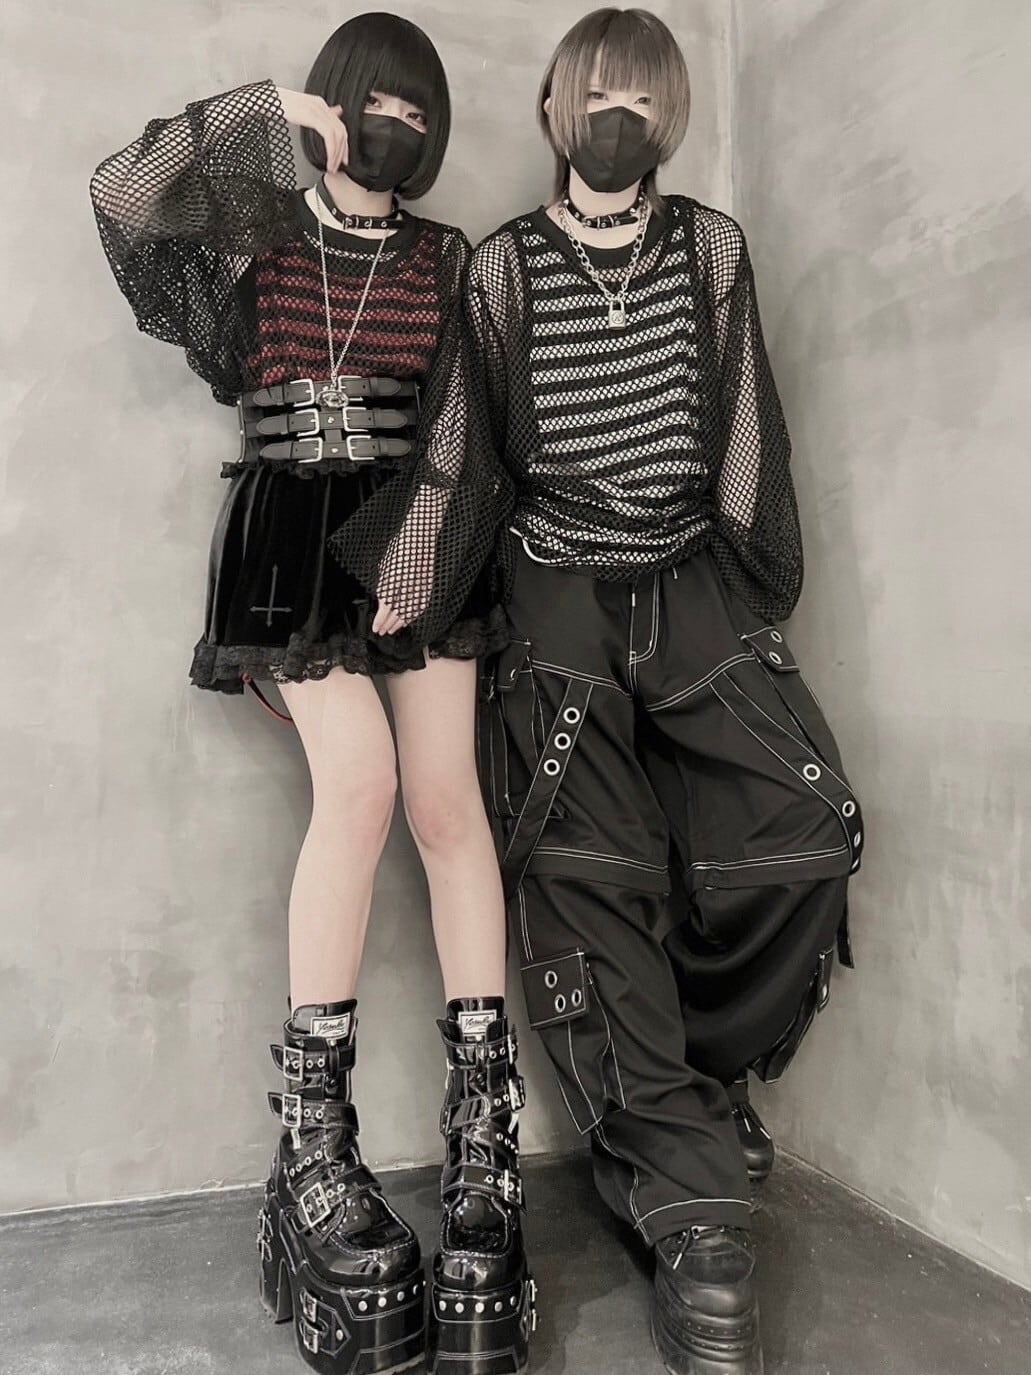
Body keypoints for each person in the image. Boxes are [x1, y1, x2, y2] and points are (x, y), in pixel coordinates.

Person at [90, 14, 534, 1374]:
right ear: (338, 102)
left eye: (421, 110)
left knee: (449, 805)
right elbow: (123, 202)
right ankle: (316, 1151)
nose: (397, 123)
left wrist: (417, 549)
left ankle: (482, 1149)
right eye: (375, 100)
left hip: (420, 529)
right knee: (363, 788)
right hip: (288, 543)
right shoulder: (260, 233)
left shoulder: (444, 258)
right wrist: (259, 113)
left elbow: (467, 420)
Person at [470, 8, 864, 1374]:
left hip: (688, 571)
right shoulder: (502, 267)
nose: (617, 114)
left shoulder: (711, 247)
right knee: (595, 867)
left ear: (675, 115)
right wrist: (406, 600)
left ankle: (688, 1087)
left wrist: (752, 591)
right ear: (554, 106)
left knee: (804, 827)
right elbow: (472, 453)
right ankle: (693, 1204)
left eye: (644, 95)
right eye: (598, 91)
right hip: (553, 581)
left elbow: (746, 422)